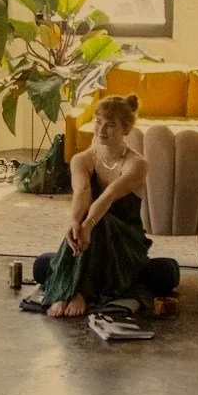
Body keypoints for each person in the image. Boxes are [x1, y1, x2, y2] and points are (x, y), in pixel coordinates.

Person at [42, 93, 153, 319]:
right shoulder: (82, 159)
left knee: (101, 220)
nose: (101, 130)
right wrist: (75, 223)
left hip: (124, 241)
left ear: (126, 130)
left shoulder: (137, 163)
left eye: (110, 125)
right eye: (98, 123)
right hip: (89, 238)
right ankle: (73, 288)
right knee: (41, 263)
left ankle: (77, 291)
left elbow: (109, 196)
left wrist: (89, 224)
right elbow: (82, 192)